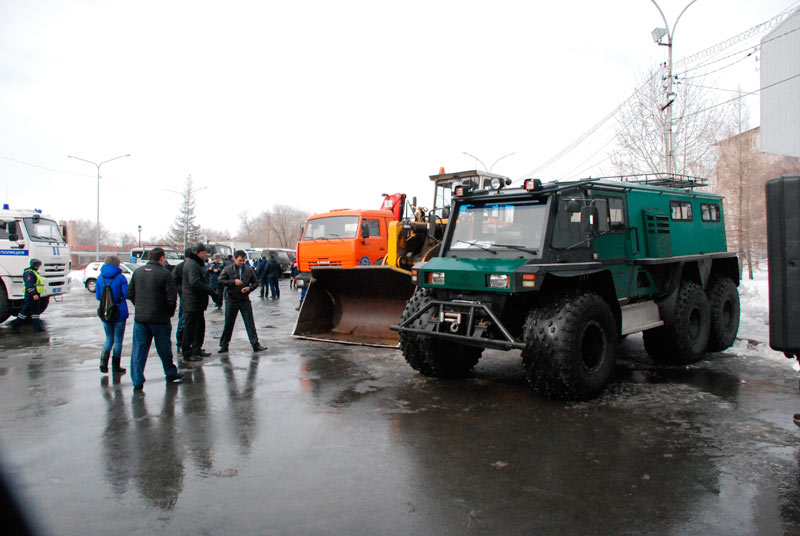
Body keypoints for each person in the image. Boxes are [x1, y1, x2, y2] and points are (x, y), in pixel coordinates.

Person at [127, 248, 184, 391]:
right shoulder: (165, 274)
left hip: (141, 318)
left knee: (139, 349)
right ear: (162, 258)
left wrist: (139, 306)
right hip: (160, 318)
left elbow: (130, 293)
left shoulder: (138, 272)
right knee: (164, 348)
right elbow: (172, 298)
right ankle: (170, 373)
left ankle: (137, 380)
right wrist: (169, 313)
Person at [217, 250, 266, 353]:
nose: (242, 262)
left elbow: (256, 282)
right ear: (234, 259)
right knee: (228, 324)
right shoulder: (228, 269)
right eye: (240, 260)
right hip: (231, 300)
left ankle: (255, 344)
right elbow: (220, 281)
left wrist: (249, 288)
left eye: (243, 260)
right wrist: (233, 282)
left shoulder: (248, 270)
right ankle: (224, 345)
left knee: (249, 323)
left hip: (244, 300)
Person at [181, 242, 217, 361]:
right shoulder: (192, 265)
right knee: (190, 327)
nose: (206, 255)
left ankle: (196, 349)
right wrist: (210, 290)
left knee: (199, 326)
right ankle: (187, 352)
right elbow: (194, 282)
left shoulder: (195, 264)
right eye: (205, 253)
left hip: (197, 302)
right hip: (192, 302)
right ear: (200, 253)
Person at [95, 256, 128, 375]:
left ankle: (103, 362)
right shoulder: (121, 278)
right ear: (117, 265)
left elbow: (98, 296)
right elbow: (126, 294)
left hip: (105, 312)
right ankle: (116, 366)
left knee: (109, 338)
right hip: (119, 312)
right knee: (118, 340)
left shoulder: (100, 278)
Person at [11, 258, 46, 333]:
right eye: (37, 265)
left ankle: (37, 327)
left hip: (36, 294)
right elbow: (29, 285)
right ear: (34, 265)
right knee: (25, 311)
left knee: (35, 311)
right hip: (31, 295)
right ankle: (17, 325)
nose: (38, 267)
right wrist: (33, 294)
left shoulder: (34, 272)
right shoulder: (28, 273)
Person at [172, 248, 191, 355]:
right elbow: (174, 282)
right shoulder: (180, 268)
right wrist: (183, 291)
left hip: (192, 298)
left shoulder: (194, 266)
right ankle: (180, 343)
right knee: (183, 321)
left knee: (191, 322)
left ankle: (188, 344)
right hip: (185, 298)